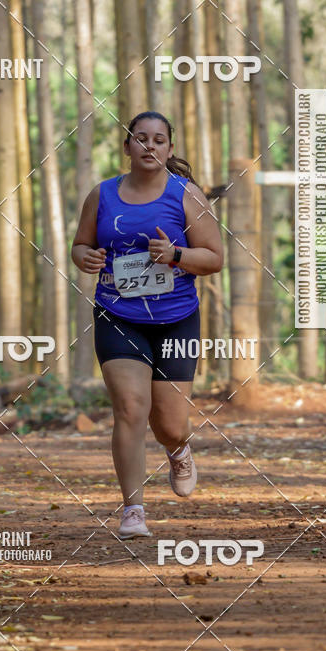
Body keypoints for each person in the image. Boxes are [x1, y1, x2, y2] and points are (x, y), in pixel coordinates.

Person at [71, 111, 224, 539]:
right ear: (127, 148)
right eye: (141, 139)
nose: (150, 146)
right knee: (131, 408)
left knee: (170, 422)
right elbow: (81, 244)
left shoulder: (186, 195)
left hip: (176, 319)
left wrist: (176, 255)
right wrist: (83, 256)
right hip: (118, 315)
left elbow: (213, 258)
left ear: (169, 149)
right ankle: (133, 510)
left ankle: (178, 448)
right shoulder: (102, 195)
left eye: (159, 140)